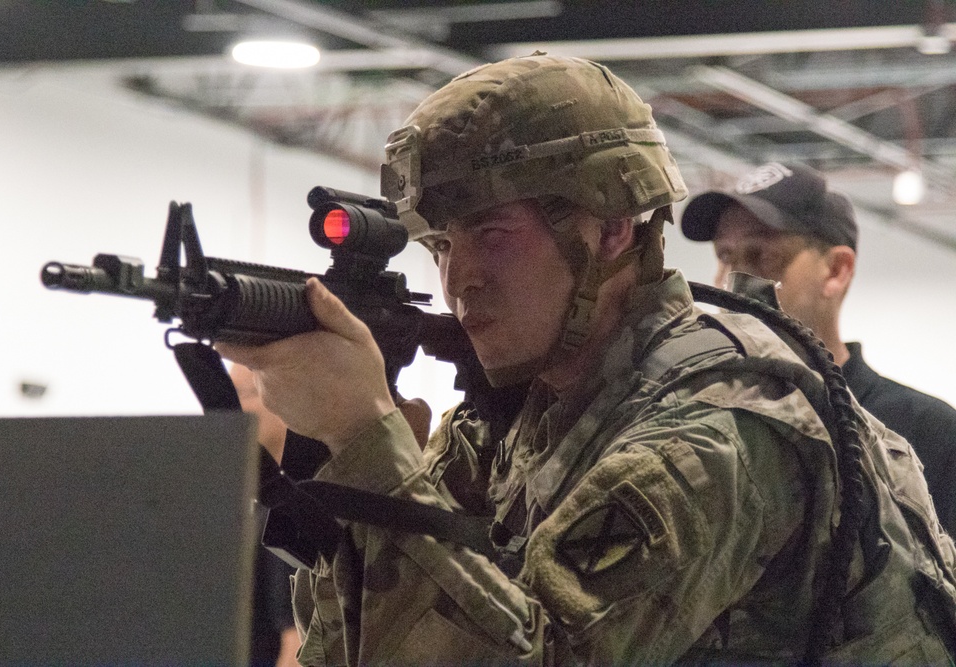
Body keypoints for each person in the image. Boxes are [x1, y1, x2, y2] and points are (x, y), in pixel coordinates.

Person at [217, 54, 956, 664]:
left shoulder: (720, 422)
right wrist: (361, 488)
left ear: (609, 227)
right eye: (442, 244)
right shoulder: (513, 421)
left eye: (491, 233)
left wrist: (370, 442)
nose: (458, 276)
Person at [680, 161, 956, 535]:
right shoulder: (695, 414)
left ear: (836, 270)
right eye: (726, 257)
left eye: (761, 255)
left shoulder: (929, 434)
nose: (732, 283)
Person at [229, 363, 302, 667]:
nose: (229, 412)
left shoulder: (286, 508)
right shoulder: (269, 502)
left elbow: (298, 644)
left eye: (240, 397)